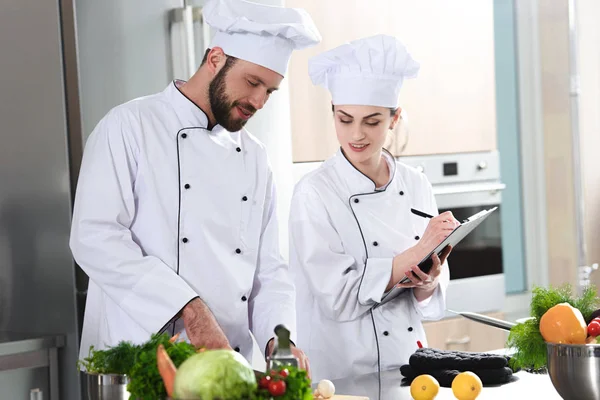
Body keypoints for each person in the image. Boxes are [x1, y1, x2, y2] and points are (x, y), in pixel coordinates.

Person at [70, 0, 321, 371]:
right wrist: (189, 307)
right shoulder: (129, 126)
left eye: (270, 91)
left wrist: (278, 340)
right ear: (215, 58)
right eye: (252, 82)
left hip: (226, 367)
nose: (258, 101)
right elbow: (93, 237)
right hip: (140, 362)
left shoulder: (255, 157)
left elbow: (268, 271)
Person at [289, 34, 460, 382]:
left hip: (412, 366)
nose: (356, 134)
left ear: (394, 119)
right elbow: (337, 298)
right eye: (344, 118)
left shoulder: (415, 183)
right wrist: (417, 252)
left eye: (372, 121)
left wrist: (428, 280)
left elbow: (428, 301)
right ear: (333, 113)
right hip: (342, 371)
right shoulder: (314, 192)